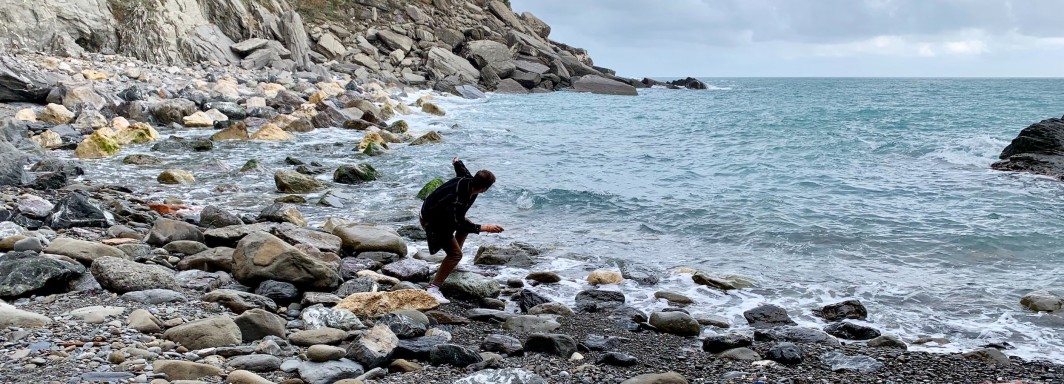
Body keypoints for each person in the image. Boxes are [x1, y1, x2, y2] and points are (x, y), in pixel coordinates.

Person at [420, 156, 504, 304]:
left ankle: (452, 266)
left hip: (437, 213)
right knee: (455, 254)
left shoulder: (468, 180)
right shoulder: (457, 199)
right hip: (432, 220)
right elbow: (456, 223)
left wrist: (457, 162)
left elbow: (462, 171)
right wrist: (484, 228)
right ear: (484, 189)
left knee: (467, 226)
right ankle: (433, 288)